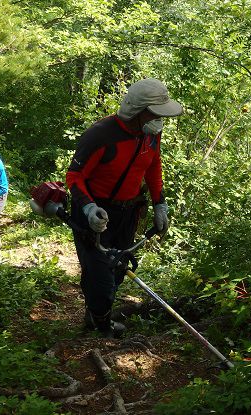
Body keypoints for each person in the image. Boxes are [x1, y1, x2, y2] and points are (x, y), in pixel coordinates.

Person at [66, 78, 183, 338]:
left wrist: (159, 203)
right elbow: (75, 177)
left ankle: (96, 312)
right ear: (139, 111)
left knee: (118, 266)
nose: (160, 120)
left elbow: (153, 166)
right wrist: (88, 208)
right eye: (155, 112)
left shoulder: (151, 132)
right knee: (99, 271)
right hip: (96, 211)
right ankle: (102, 325)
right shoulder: (101, 135)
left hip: (128, 211)